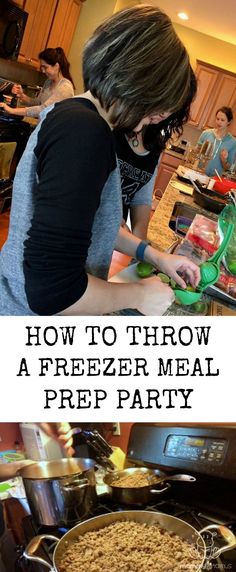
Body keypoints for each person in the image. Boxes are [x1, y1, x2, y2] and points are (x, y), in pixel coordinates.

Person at [0, 4, 200, 317]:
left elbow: (93, 225)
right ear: (137, 79)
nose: (162, 115)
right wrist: (138, 295)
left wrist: (156, 257)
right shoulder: (84, 131)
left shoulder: (83, 120)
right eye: (162, 100)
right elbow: (52, 292)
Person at [114, 104, 192, 239]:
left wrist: (141, 243)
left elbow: (141, 198)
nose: (166, 113)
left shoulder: (155, 142)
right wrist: (113, 218)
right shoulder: (112, 125)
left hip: (110, 240)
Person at [0, 47, 75, 119]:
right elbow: (38, 102)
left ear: (56, 66)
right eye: (42, 67)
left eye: (45, 67)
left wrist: (12, 110)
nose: (42, 70)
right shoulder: (48, 82)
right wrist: (22, 95)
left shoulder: (65, 87)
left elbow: (43, 109)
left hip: (53, 131)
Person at [197, 106, 236, 177]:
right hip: (198, 173)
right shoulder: (206, 133)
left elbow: (228, 168)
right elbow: (195, 153)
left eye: (222, 120)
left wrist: (223, 160)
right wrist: (200, 150)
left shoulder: (233, 142)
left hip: (214, 179)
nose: (219, 122)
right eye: (217, 119)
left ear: (229, 122)